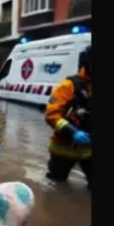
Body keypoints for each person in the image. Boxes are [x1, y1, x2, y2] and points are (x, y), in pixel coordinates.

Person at [44, 45, 92, 187]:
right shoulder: (68, 86)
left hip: (89, 148)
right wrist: (72, 132)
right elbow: (51, 115)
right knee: (56, 185)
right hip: (63, 148)